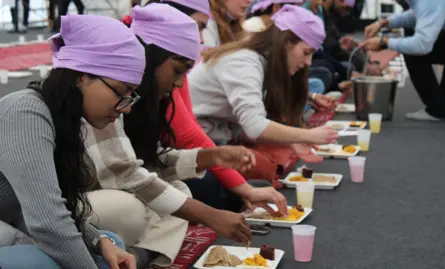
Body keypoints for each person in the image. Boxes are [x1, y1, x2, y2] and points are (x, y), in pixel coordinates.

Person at [85, 4, 285, 268]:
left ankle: (141, 254)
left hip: (108, 193)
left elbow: (150, 160)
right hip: (81, 200)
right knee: (132, 209)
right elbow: (125, 175)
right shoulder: (108, 89)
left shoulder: (145, 95)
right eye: (178, 71)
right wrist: (209, 215)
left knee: (179, 191)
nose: (180, 83)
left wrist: (210, 156)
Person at [0, 14, 146, 269]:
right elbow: (46, 222)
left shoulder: (64, 119)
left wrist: (98, 240)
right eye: (122, 91)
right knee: (42, 264)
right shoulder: (25, 112)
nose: (126, 108)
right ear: (81, 76)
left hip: (11, 221)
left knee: (109, 245)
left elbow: (47, 209)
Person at [189, 5, 339, 158]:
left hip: (219, 134)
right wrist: (307, 135)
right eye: (306, 53)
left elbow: (244, 128)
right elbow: (255, 126)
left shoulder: (261, 63)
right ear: (286, 43)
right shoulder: (243, 62)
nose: (308, 62)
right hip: (193, 144)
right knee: (264, 167)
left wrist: (290, 141)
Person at [362, 0, 445, 121]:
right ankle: (440, 108)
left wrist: (384, 42)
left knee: (412, 50)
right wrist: (384, 22)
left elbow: (422, 46)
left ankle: (434, 110)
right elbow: (420, 14)